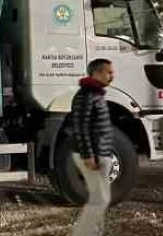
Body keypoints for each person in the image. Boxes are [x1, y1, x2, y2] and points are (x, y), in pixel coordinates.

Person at [70, 58, 115, 236]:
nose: (112, 76)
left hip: (101, 154)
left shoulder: (96, 94)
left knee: (100, 198)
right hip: (93, 156)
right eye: (108, 72)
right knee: (100, 200)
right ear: (96, 73)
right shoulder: (86, 96)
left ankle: (95, 233)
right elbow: (80, 127)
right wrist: (88, 155)